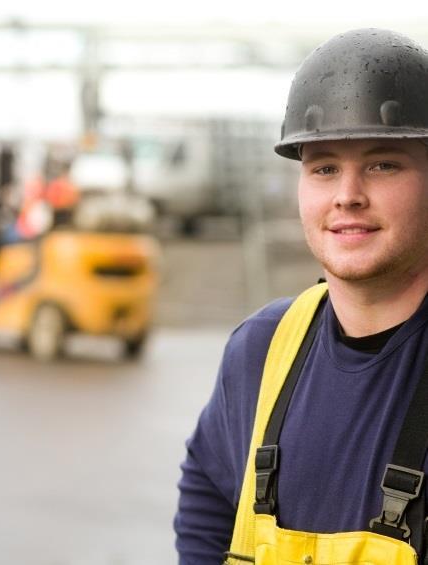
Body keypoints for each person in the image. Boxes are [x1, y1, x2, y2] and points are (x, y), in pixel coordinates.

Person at [174, 28, 428, 565]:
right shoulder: (262, 350)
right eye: (324, 168)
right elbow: (207, 487)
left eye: (384, 164)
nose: (348, 195)